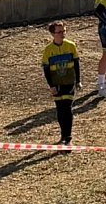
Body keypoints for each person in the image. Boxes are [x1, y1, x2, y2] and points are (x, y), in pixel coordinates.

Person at [41, 21, 81, 151]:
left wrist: (78, 81)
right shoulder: (48, 50)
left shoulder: (71, 46)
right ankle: (63, 135)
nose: (62, 34)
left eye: (64, 31)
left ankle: (68, 138)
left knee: (67, 108)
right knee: (60, 109)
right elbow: (46, 70)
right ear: (52, 34)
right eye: (59, 32)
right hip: (57, 83)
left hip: (69, 82)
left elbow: (76, 64)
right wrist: (51, 86)